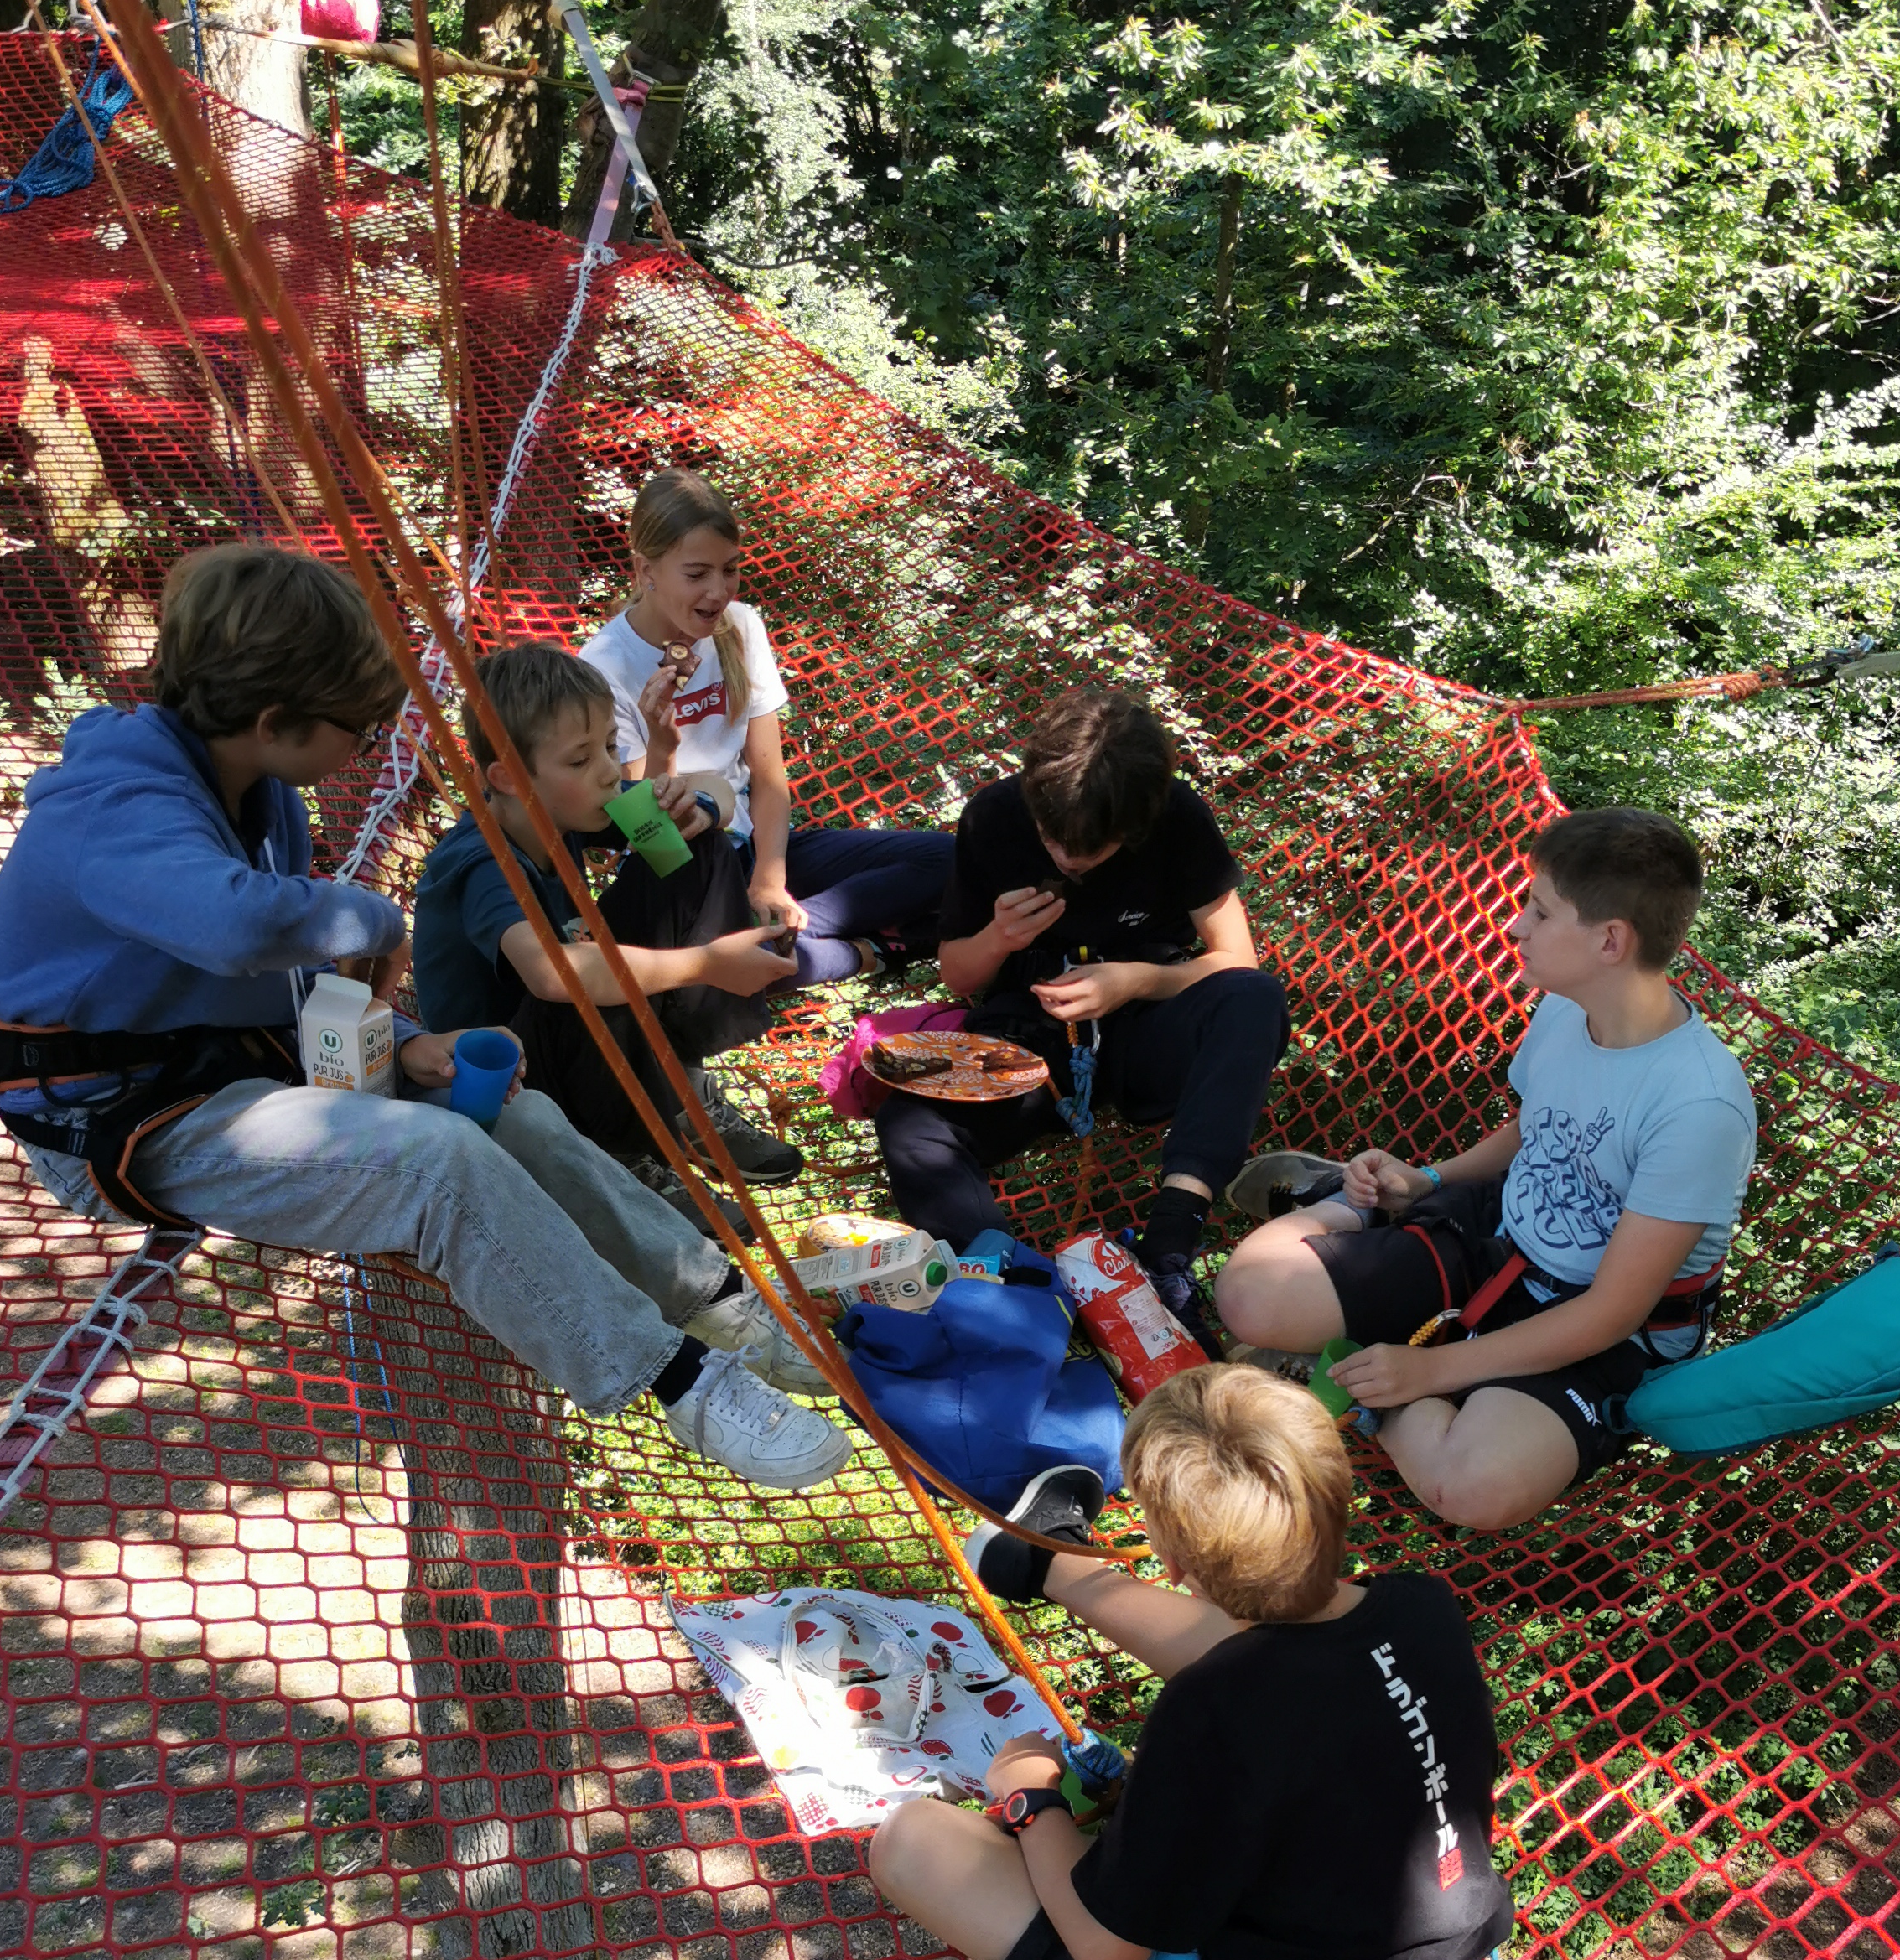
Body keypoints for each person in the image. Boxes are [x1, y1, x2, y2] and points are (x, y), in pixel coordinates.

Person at [0, 542, 855, 1492]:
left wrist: (403, 1043)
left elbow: (286, 975)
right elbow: (237, 929)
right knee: (440, 1162)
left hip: (241, 1064)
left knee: (518, 1115)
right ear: (274, 723)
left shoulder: (261, 794)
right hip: (123, 1117)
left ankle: (717, 1299)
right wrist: (375, 917)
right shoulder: (116, 806)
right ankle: (681, 1382)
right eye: (360, 730)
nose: (367, 749)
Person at [869, 1366, 1513, 1960]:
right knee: (1287, 1644)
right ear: (1339, 1492)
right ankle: (1044, 1560)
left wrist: (1032, 1801)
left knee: (911, 1842)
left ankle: (1048, 1562)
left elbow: (1106, 1952)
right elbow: (1277, 1682)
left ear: (1172, 1564)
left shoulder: (1211, 1712)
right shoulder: (1421, 1605)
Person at [1213, 806, 1757, 1531]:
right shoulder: (1567, 1010)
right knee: (1248, 1296)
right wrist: (1431, 1179)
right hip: (1500, 1235)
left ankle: (1364, 1378)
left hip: (1602, 1323)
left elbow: (1612, 1311)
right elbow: (1541, 1127)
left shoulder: (1699, 1108)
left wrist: (1427, 1371)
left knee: (1475, 1489)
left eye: (1541, 912)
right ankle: (1345, 1200)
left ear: (1610, 941)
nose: (1517, 927)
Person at [871, 682, 1289, 1336]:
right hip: (1028, 1035)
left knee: (1254, 999)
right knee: (909, 1121)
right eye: (1053, 840)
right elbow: (958, 972)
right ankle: (1017, 1297)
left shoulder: (1175, 816)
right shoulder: (997, 814)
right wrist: (999, 937)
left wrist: (1134, 980)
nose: (1067, 859)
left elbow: (1237, 958)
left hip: (1146, 1023)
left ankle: (1169, 1248)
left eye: (1090, 849)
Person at [411, 640, 807, 1192]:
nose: (606, 771)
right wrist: (707, 964)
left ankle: (679, 1080)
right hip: (514, 1078)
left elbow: (713, 789)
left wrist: (697, 805)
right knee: (585, 975)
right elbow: (550, 975)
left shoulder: (565, 806)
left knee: (694, 844)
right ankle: (623, 1155)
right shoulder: (482, 861)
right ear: (509, 778)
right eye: (580, 759)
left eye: (611, 745)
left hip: (582, 1042)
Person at [579, 467, 954, 988]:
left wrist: (769, 881)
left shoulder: (741, 627)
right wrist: (664, 746)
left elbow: (769, 776)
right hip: (684, 867)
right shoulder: (603, 668)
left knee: (946, 859)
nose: (718, 591)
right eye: (697, 574)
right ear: (647, 571)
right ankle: (849, 953)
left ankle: (773, 940)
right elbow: (652, 834)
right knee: (702, 970)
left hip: (757, 846)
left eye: (730, 570)